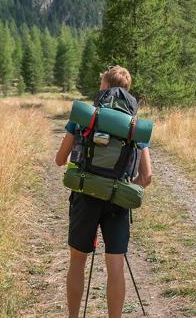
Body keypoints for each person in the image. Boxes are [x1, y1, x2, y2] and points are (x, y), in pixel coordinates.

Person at [54, 65, 153, 318]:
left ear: (104, 85)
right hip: (117, 200)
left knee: (77, 261)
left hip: (85, 196)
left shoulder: (86, 116)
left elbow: (60, 159)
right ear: (127, 90)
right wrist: (121, 188)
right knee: (115, 264)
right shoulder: (133, 126)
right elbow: (147, 176)